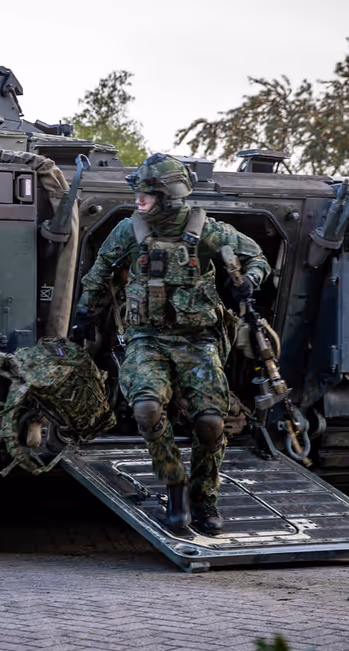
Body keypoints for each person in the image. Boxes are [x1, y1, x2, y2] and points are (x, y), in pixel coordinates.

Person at [73, 153, 270, 535]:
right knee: (146, 407)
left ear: (169, 196)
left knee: (211, 422)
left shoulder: (208, 232)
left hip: (198, 340)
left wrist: (251, 281)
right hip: (147, 338)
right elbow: (99, 274)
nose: (138, 200)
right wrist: (86, 314)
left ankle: (204, 498)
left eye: (146, 193)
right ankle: (175, 484)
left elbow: (255, 256)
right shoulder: (129, 231)